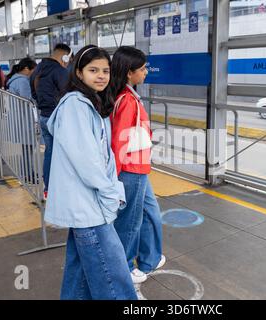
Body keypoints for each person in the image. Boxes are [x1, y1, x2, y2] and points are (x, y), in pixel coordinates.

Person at [44, 45, 136, 300]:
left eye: (105, 70)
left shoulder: (89, 103)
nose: (101, 76)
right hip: (89, 205)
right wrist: (110, 194)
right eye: (93, 70)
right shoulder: (76, 106)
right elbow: (88, 162)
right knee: (113, 274)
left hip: (86, 204)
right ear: (79, 73)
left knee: (81, 272)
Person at [110, 46, 165, 284]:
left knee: (150, 212)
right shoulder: (127, 100)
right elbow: (119, 140)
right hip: (131, 170)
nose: (146, 73)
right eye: (142, 69)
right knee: (130, 221)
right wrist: (116, 176)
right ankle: (123, 268)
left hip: (139, 168)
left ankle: (150, 259)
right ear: (129, 72)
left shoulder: (126, 95)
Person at [30, 43, 71, 200]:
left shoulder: (37, 70)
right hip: (58, 117)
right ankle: (60, 189)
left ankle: (48, 188)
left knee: (50, 152)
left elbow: (34, 94)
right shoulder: (60, 71)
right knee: (63, 153)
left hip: (44, 116)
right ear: (64, 56)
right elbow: (67, 94)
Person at [6, 58, 38, 183]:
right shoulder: (22, 81)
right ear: (26, 69)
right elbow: (27, 100)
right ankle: (27, 175)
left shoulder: (15, 80)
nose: (33, 73)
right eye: (33, 70)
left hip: (20, 118)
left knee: (26, 148)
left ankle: (28, 172)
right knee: (27, 148)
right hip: (25, 119)